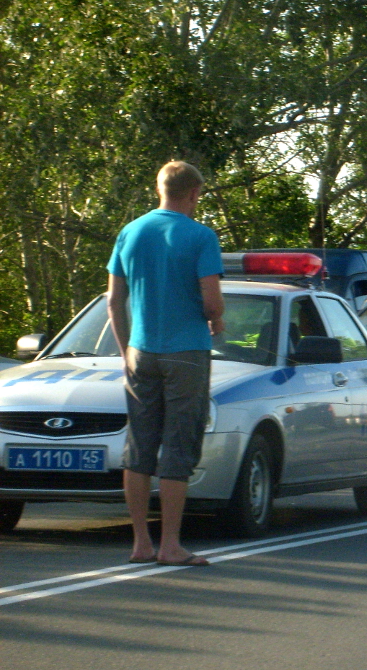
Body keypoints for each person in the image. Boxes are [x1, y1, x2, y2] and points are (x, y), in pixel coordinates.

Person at [107, 161, 225, 567]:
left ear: (160, 189)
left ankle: (141, 542)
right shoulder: (200, 236)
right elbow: (211, 302)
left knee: (139, 445)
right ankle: (171, 545)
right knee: (178, 444)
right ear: (193, 193)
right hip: (186, 353)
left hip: (141, 350)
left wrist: (126, 350)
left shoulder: (131, 232)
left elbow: (114, 300)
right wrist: (218, 319)